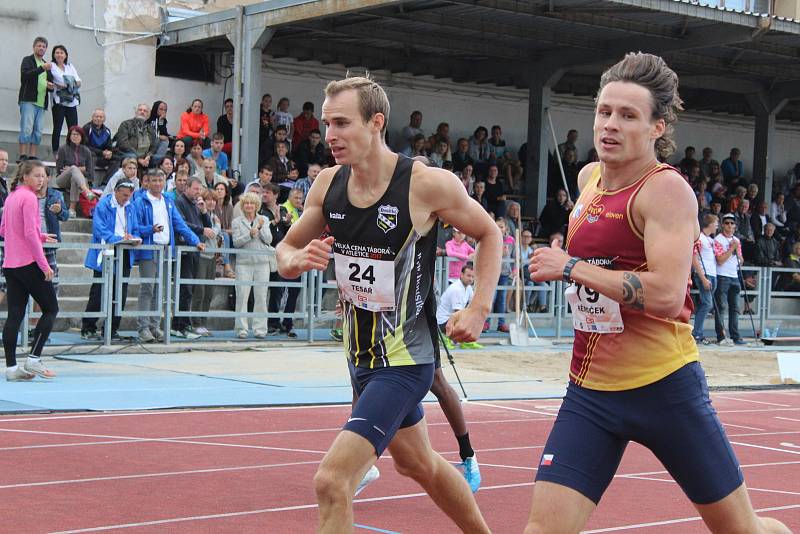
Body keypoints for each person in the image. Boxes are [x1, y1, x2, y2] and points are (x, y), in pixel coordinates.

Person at [525, 52, 789, 534]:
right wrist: (574, 264)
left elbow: (668, 295)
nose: (610, 125)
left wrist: (572, 268)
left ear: (656, 128)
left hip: (664, 388)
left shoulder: (666, 192)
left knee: (741, 530)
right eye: (604, 111)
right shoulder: (588, 180)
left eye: (628, 116)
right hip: (590, 393)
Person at [276, 76, 501, 533]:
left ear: (376, 122)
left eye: (341, 123)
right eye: (326, 123)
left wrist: (478, 307)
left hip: (404, 360)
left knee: (332, 480)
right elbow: (284, 251)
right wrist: (296, 259)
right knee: (420, 465)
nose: (329, 135)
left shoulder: (424, 184)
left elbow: (489, 233)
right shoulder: (327, 185)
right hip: (359, 357)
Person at [1, 160, 58, 380]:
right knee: (51, 308)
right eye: (36, 175)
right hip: (28, 263)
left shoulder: (12, 197)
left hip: (11, 264)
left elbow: (5, 229)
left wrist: (40, 235)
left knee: (14, 314)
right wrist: (44, 264)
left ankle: (12, 368)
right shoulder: (30, 198)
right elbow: (28, 234)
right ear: (25, 177)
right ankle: (34, 358)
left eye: (43, 176)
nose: (41, 180)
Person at [133, 169, 203, 343]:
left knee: (160, 290)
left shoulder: (168, 201)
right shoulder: (140, 201)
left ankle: (155, 326)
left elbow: (180, 225)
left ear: (164, 182)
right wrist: (150, 229)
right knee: (147, 288)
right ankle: (143, 328)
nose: (157, 183)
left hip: (165, 250)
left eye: (160, 180)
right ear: (147, 182)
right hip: (149, 249)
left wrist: (195, 241)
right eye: (154, 180)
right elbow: (135, 227)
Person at [81, 180, 140, 341]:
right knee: (99, 290)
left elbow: (134, 227)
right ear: (116, 191)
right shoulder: (104, 204)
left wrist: (133, 236)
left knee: (121, 292)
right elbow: (99, 228)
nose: (126, 199)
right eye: (124, 195)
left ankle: (112, 328)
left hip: (124, 252)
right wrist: (117, 238)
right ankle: (88, 326)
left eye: (129, 196)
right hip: (106, 251)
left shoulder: (131, 206)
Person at [172, 177, 213, 339]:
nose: (198, 193)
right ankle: (178, 325)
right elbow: (182, 225)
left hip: (196, 251)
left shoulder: (196, 205)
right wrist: (201, 230)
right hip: (185, 251)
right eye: (195, 189)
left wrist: (203, 212)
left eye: (199, 189)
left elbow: (208, 226)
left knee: (189, 290)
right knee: (184, 289)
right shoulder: (180, 202)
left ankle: (183, 323)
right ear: (186, 188)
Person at [232, 192, 273, 339]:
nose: (249, 206)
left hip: (262, 263)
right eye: (246, 204)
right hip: (243, 263)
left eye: (252, 204)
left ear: (257, 206)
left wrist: (260, 228)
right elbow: (236, 242)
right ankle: (241, 329)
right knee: (242, 296)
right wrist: (249, 234)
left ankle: (260, 329)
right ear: (243, 206)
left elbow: (269, 239)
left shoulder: (264, 219)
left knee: (261, 296)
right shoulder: (237, 222)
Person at [191, 189, 221, 337]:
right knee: (199, 290)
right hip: (201, 255)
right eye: (208, 199)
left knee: (209, 291)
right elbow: (211, 232)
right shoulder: (198, 215)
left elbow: (215, 233)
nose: (211, 202)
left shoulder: (215, 216)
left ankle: (203, 322)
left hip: (212, 256)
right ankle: (195, 322)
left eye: (213, 200)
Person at [18, 37, 54, 162]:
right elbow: (25, 76)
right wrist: (42, 68)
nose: (41, 48)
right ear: (34, 47)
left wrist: (50, 86)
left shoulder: (46, 65)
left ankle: (32, 156)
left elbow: (48, 82)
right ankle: (23, 155)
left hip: (41, 103)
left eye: (44, 46)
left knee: (38, 130)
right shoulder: (28, 60)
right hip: (28, 100)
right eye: (39, 46)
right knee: (27, 128)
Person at [714, 213, 746, 346]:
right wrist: (731, 248)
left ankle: (735, 336)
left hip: (734, 275)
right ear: (722, 225)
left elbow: (741, 260)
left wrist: (737, 252)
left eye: (732, 223)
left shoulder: (737, 240)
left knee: (735, 308)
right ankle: (721, 336)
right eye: (727, 223)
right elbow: (720, 260)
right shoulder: (718, 239)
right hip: (722, 276)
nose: (730, 225)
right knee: (721, 307)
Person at [55, 126, 96, 217]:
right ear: (69, 136)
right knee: (74, 168)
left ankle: (72, 209)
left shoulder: (86, 151)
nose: (75, 136)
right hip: (63, 179)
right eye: (73, 134)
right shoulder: (63, 149)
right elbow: (60, 169)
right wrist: (79, 169)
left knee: (75, 178)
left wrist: (74, 170)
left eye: (78, 135)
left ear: (82, 137)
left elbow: (90, 174)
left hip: (81, 180)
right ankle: (86, 191)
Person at [691, 214, 719, 344]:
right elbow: (694, 257)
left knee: (706, 304)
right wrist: (702, 277)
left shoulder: (710, 239)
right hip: (705, 274)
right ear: (710, 224)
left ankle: (698, 333)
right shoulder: (700, 238)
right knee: (707, 303)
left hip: (712, 273)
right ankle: (697, 333)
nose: (717, 226)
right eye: (716, 223)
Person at [49, 45, 81, 153]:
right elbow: (58, 82)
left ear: (66, 55)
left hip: (72, 102)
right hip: (59, 102)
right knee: (57, 128)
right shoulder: (51, 66)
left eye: (62, 52)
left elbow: (78, 82)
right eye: (57, 52)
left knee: (74, 129)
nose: (59, 55)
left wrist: (67, 83)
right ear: (54, 54)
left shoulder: (70, 66)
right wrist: (69, 83)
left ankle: (72, 151)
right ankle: (56, 152)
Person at [115, 103, 157, 171]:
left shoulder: (150, 129)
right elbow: (123, 144)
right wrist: (139, 158)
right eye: (140, 110)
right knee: (132, 157)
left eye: (145, 111)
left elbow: (153, 146)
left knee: (159, 158)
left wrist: (148, 156)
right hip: (127, 153)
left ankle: (151, 178)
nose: (142, 112)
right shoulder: (126, 124)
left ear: (148, 115)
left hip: (144, 155)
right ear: (136, 112)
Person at [82, 109, 115, 183]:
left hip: (100, 157)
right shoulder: (87, 128)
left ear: (104, 119)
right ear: (92, 117)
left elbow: (109, 147)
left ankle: (105, 183)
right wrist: (101, 152)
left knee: (116, 159)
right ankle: (89, 182)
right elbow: (84, 146)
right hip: (88, 157)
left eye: (101, 117)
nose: (98, 119)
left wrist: (109, 153)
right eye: (96, 116)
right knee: (91, 155)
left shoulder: (107, 131)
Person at [147, 100, 172, 165]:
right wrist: (158, 136)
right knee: (162, 140)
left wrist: (161, 120)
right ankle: (154, 162)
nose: (163, 111)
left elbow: (164, 133)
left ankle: (156, 160)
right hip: (148, 141)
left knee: (166, 141)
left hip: (157, 141)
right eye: (161, 109)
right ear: (156, 108)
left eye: (165, 110)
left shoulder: (163, 120)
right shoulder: (149, 118)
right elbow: (146, 132)